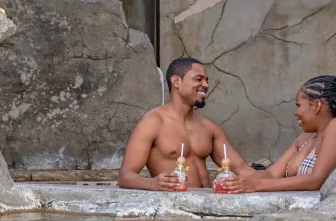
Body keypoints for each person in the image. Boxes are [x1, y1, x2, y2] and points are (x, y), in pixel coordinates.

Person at [117, 57, 255, 190]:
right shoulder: (153, 122)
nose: (206, 85)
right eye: (198, 79)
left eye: (206, 80)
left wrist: (275, 178)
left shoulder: (209, 127)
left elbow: (243, 170)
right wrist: (151, 183)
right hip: (174, 208)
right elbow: (125, 176)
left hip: (208, 206)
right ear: (176, 82)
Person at [222, 75, 336, 193]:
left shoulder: (334, 127)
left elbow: (316, 181)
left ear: (316, 105)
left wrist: (256, 185)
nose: (295, 112)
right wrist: (237, 183)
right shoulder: (304, 139)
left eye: (298, 105)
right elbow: (272, 173)